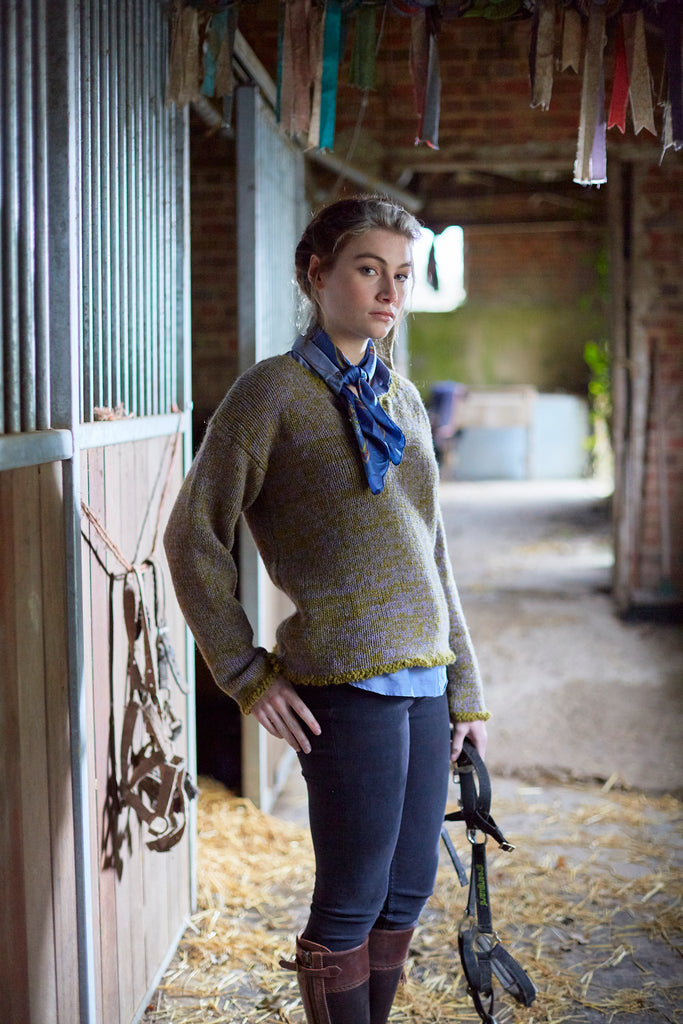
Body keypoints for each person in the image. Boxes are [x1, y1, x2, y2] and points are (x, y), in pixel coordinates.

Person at [164, 195, 489, 1024]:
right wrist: (242, 671)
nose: (389, 291)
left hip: (425, 682)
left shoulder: (402, 399)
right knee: (351, 896)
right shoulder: (269, 393)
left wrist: (465, 689)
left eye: (402, 275)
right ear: (316, 274)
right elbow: (192, 536)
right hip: (344, 686)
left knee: (407, 889)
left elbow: (432, 552)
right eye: (367, 269)